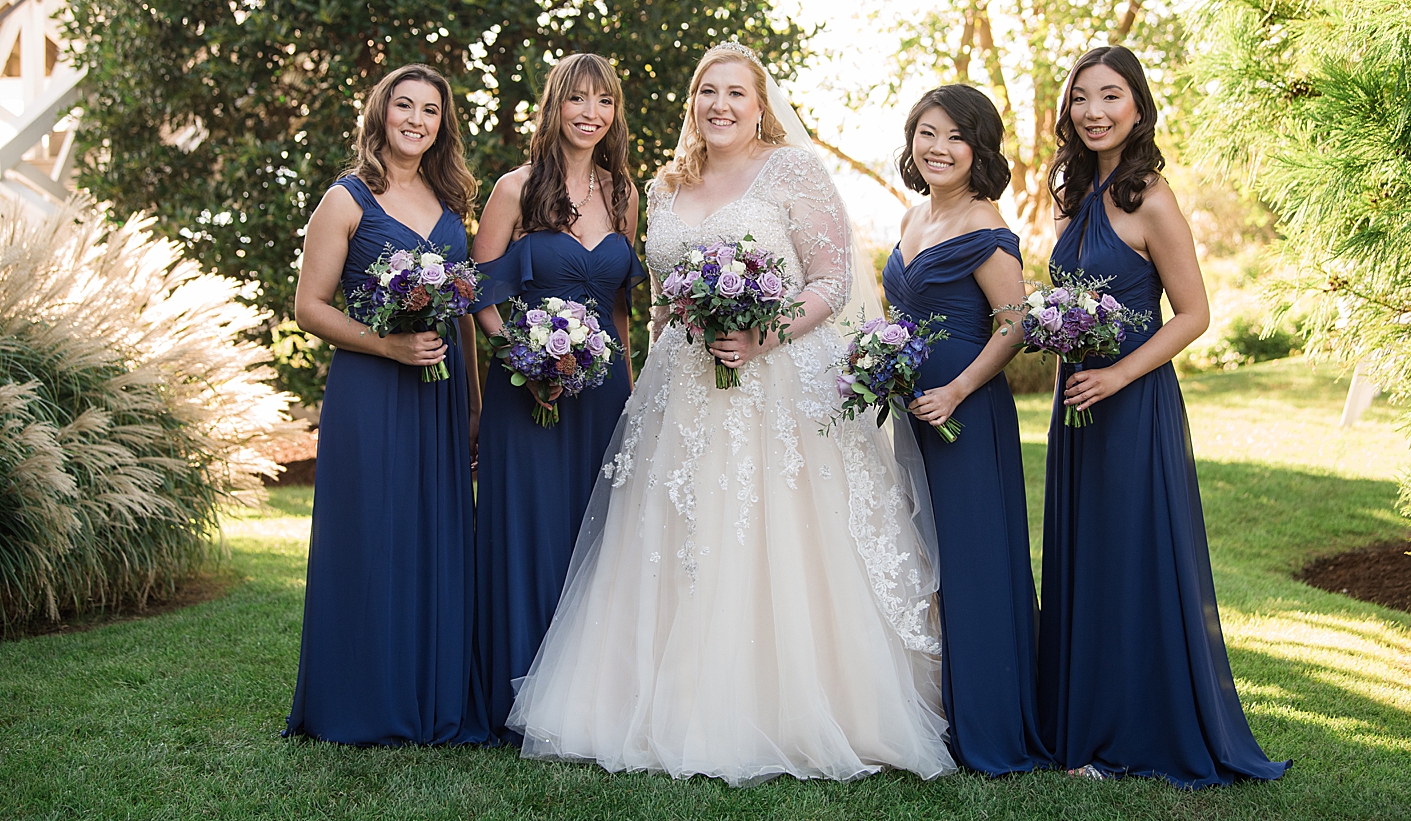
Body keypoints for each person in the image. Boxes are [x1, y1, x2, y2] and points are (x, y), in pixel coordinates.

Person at [505, 42, 955, 785]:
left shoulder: (792, 172)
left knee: (780, 539)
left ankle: (796, 707)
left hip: (776, 382)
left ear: (761, 104)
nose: (720, 104)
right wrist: (654, 363)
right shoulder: (660, 184)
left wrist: (766, 331)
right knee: (679, 538)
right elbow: (654, 299)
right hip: (680, 385)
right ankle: (667, 702)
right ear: (693, 102)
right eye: (706, 90)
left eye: (735, 93)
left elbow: (833, 277)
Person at [1037, 45, 1289, 787]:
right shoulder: (1083, 193)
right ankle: (1082, 725)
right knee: (1087, 557)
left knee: (1130, 557)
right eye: (1081, 97)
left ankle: (1132, 732)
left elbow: (1195, 313)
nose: (1093, 111)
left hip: (1133, 402)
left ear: (1138, 108)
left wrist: (1116, 372)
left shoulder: (1152, 197)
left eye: (1110, 96)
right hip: (1077, 403)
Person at [284, 64, 487, 745]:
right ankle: (363, 699)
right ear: (381, 112)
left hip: (444, 390)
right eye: (405, 105)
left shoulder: (452, 201)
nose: (417, 120)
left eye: (431, 110)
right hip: (372, 389)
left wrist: (476, 404)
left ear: (441, 124)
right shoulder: (346, 198)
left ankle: (432, 693)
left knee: (436, 535)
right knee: (372, 536)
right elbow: (309, 306)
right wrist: (386, 346)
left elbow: (463, 310)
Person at [469, 53, 644, 743]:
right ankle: (513, 695)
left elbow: (621, 305)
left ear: (614, 112)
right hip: (528, 390)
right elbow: (479, 294)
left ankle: (585, 702)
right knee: (529, 532)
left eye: (604, 100)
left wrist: (629, 392)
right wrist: (525, 354)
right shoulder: (514, 188)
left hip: (601, 394)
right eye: (578, 98)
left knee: (594, 537)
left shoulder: (623, 194)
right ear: (556, 106)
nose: (590, 112)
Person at [882, 84, 1051, 775]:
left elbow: (1015, 325)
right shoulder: (911, 216)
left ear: (978, 148)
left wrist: (955, 388)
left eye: (955, 136)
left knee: (971, 560)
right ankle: (935, 707)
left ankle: (988, 720)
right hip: (912, 411)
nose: (939, 147)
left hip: (965, 411)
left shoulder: (986, 226)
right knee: (923, 558)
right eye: (927, 132)